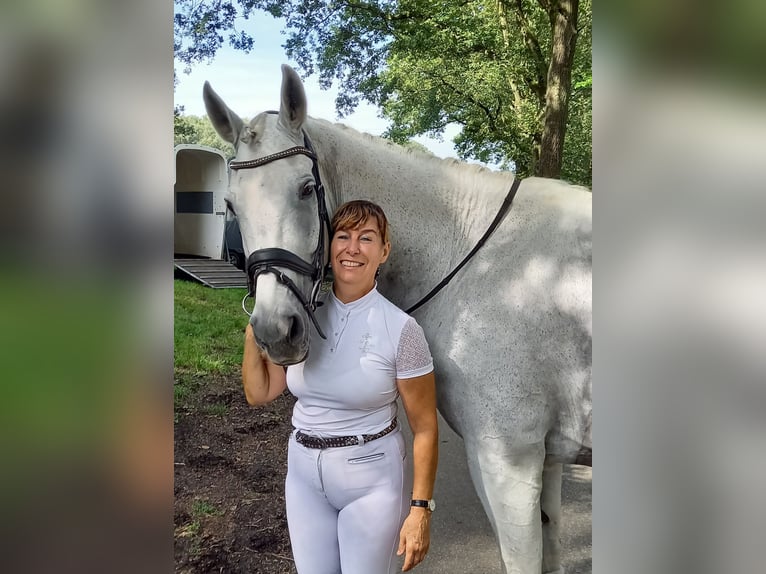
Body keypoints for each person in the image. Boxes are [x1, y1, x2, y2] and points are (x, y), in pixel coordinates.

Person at [242, 200, 439, 573]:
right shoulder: (303, 317)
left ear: (384, 251)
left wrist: (420, 510)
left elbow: (426, 427)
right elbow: (261, 392)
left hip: (371, 481)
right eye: (343, 236)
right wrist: (255, 330)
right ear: (329, 248)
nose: (352, 248)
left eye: (366, 238)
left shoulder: (401, 331)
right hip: (302, 476)